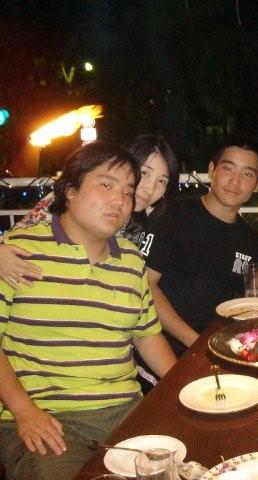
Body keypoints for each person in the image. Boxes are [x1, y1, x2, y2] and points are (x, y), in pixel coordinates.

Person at [0, 142, 177, 480]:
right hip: (48, 417)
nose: (120, 201)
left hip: (125, 410)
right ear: (70, 190)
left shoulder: (131, 260)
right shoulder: (18, 253)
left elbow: (146, 337)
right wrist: (24, 411)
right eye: (106, 185)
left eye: (128, 192)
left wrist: (186, 388)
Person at [144, 133, 258, 356]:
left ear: (257, 184)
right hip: (170, 349)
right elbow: (146, 286)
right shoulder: (173, 214)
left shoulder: (249, 237)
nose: (235, 181)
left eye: (247, 174)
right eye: (228, 168)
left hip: (225, 344)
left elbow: (250, 298)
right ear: (211, 170)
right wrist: (197, 343)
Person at [0, 134, 180, 287]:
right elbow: (15, 238)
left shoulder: (145, 220)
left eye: (162, 181)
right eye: (145, 173)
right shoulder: (75, 197)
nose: (150, 188)